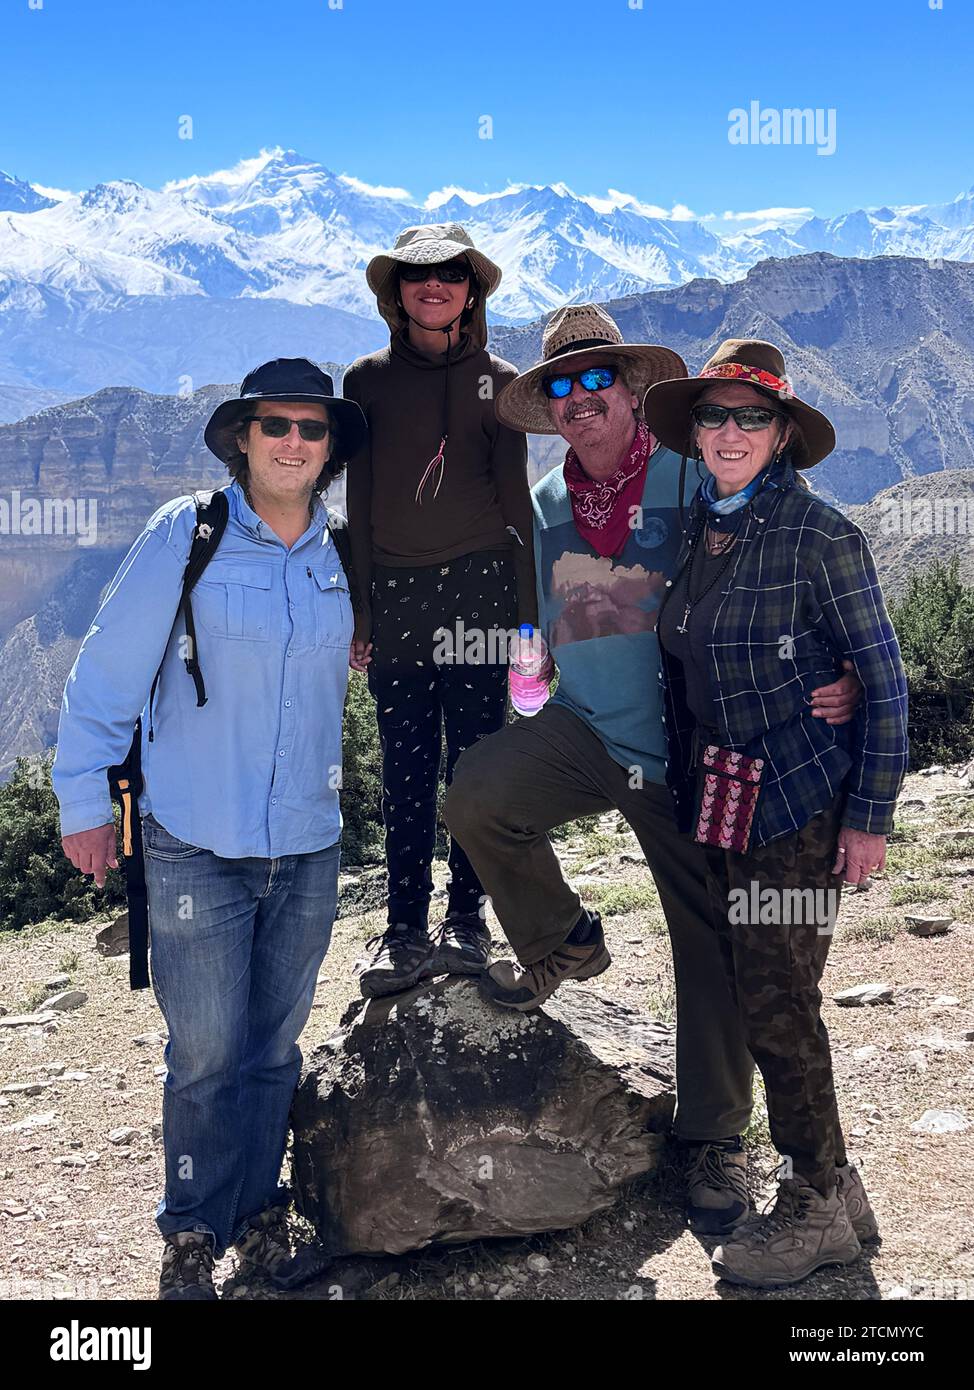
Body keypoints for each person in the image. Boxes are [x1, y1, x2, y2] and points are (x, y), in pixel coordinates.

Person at [443, 305, 863, 1236]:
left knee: (710, 942)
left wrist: (836, 672)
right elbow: (546, 606)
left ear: (633, 391)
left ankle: (714, 1138)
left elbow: (781, 562)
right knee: (477, 796)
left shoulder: (697, 470)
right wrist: (532, 667)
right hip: (587, 733)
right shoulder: (550, 503)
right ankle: (565, 941)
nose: (581, 399)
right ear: (548, 408)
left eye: (599, 380)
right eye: (562, 386)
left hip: (688, 754)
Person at [53, 359, 367, 1300]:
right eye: (276, 425)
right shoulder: (186, 535)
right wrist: (83, 804)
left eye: (313, 431)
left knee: (274, 1047)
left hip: (307, 841)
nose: (294, 443)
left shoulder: (341, 554)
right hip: (193, 835)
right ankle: (190, 1230)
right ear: (242, 436)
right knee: (204, 1055)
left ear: (330, 448)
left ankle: (260, 1214)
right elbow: (106, 677)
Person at [644, 338, 909, 1287]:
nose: (728, 431)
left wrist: (870, 816)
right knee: (768, 992)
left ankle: (811, 1204)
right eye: (713, 416)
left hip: (798, 803)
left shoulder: (817, 533)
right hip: (724, 798)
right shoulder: (705, 528)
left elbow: (883, 676)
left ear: (783, 432)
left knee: (778, 999)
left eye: (750, 417)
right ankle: (839, 1190)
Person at [343, 223, 537, 997]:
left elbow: (516, 501)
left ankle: (465, 922)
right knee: (407, 767)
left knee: (475, 765)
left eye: (451, 275)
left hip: (483, 589)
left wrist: (527, 619)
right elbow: (357, 503)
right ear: (397, 292)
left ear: (470, 291)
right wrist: (362, 612)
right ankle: (402, 929)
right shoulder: (366, 382)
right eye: (419, 276)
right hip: (397, 594)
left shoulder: (502, 381)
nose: (435, 286)